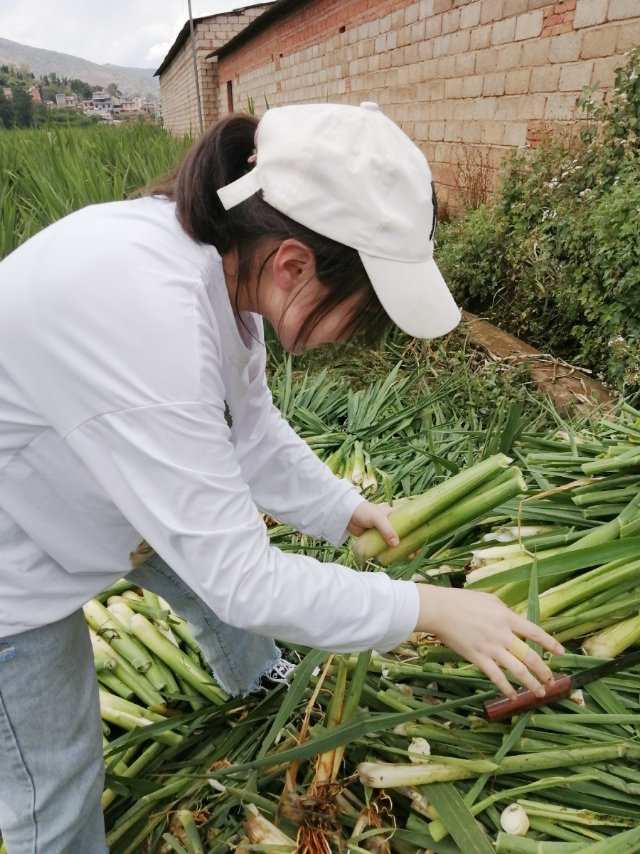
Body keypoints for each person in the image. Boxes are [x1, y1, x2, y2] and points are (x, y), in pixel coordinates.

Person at [0, 101, 563, 852]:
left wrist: (343, 510)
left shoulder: (222, 274)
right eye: (353, 317)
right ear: (295, 262)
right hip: (12, 553)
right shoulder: (149, 312)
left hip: (91, 479)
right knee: (57, 784)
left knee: (198, 562)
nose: (345, 341)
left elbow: (253, 431)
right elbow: (244, 580)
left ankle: (259, 688)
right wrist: (427, 607)